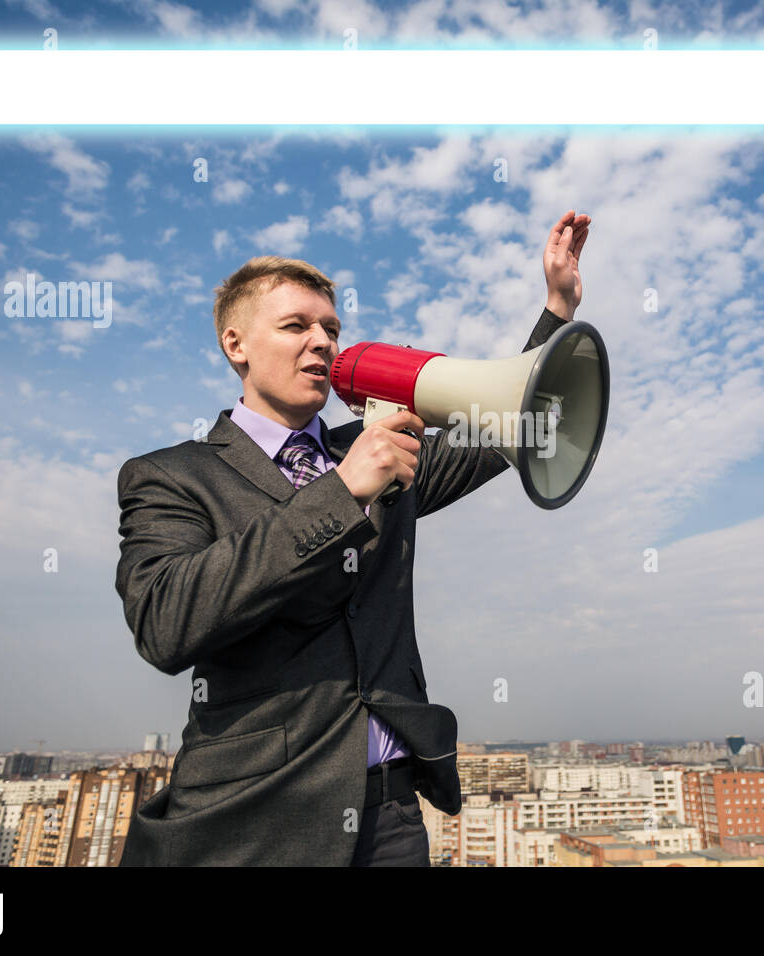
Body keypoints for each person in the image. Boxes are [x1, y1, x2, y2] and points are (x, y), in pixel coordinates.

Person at [114, 210, 591, 865]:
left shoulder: (377, 448)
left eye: (331, 329)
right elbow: (166, 624)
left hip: (391, 812)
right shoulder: (174, 474)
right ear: (236, 345)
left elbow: (500, 427)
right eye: (295, 326)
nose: (322, 342)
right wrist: (343, 492)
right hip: (253, 819)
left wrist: (556, 313)